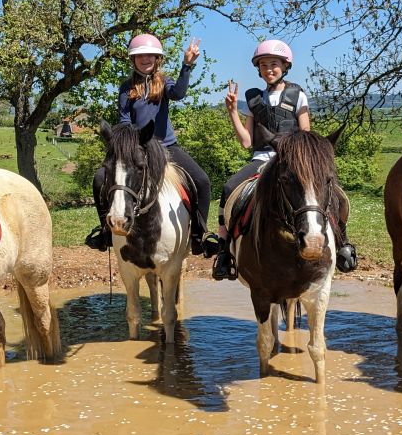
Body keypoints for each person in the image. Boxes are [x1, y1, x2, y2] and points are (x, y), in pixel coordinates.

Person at [212, 39, 357, 281]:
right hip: (262, 159)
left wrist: (301, 158)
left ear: (285, 66)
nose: (269, 69)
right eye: (264, 65)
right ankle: (224, 250)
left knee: (335, 194)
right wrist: (232, 113)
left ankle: (343, 241)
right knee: (229, 188)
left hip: (294, 159)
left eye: (274, 64)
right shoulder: (254, 100)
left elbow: (306, 132)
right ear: (258, 69)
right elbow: (247, 141)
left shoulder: (297, 95)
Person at [85, 33, 214, 256]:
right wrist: (129, 143)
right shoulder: (126, 89)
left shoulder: (164, 83)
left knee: (202, 180)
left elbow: (179, 94)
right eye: (140, 56)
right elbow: (125, 120)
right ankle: (106, 231)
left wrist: (187, 65)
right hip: (137, 148)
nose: (145, 59)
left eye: (150, 56)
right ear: (133, 60)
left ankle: (199, 235)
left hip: (167, 147)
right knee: (99, 179)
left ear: (157, 59)